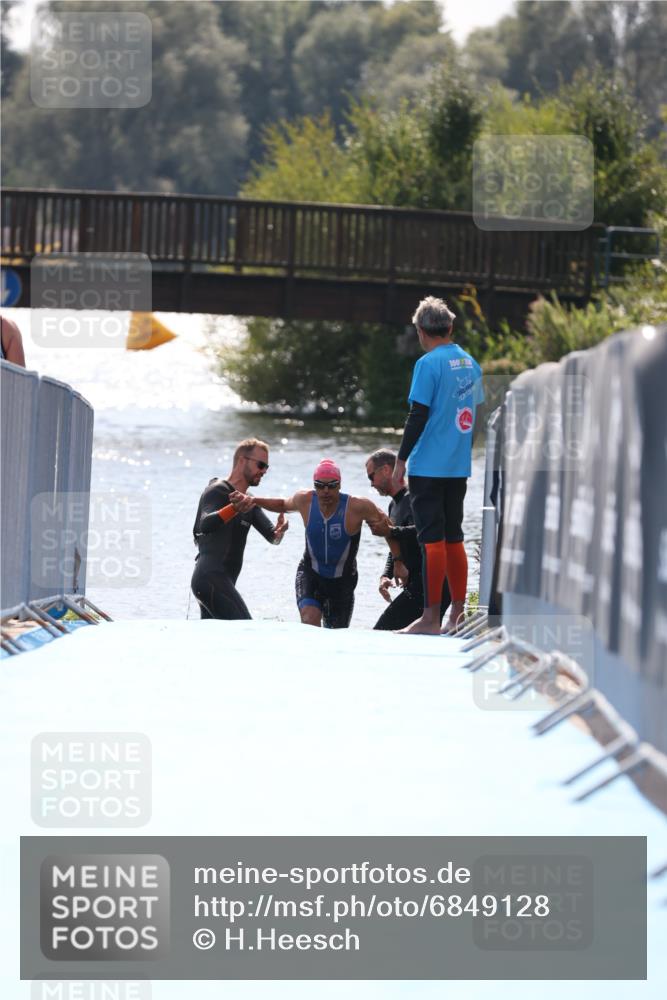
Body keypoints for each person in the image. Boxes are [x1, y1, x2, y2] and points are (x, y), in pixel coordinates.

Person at [391, 296, 484, 635]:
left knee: (431, 540)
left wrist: (400, 462)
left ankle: (430, 618)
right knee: (453, 537)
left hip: (428, 467)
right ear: (450, 327)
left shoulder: (428, 364)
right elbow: (476, 417)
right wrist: (462, 451)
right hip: (457, 467)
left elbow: (418, 415)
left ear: (420, 331)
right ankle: (456, 613)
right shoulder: (470, 363)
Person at [231, 459, 390, 629]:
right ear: (314, 485)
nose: (326, 491)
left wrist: (398, 563)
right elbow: (282, 504)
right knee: (309, 621)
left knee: (336, 635)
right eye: (320, 486)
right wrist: (253, 500)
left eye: (332, 485)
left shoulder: (358, 506)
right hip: (311, 575)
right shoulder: (305, 500)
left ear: (340, 485)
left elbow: (389, 529)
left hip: (342, 583)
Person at [191, 438, 288, 620]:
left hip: (223, 583)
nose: (264, 471)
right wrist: (233, 508)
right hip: (209, 576)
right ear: (242, 460)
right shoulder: (217, 490)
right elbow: (205, 524)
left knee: (216, 643)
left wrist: (279, 532)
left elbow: (272, 536)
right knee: (247, 631)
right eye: (261, 465)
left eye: (267, 467)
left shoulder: (249, 502)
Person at [366, 449, 450, 631]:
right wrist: (386, 574)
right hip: (417, 583)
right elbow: (397, 545)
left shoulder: (414, 498)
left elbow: (423, 532)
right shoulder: (393, 505)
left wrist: (390, 530)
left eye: (371, 477)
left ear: (386, 470)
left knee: (381, 632)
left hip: (433, 583)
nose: (371, 484)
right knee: (415, 638)